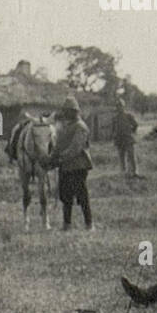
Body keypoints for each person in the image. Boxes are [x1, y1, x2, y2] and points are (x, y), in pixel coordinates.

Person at [45, 96, 94, 231]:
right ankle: (67, 225)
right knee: (65, 196)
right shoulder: (65, 127)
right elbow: (58, 146)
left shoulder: (80, 127)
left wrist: (59, 159)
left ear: (74, 111)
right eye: (64, 111)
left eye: (68, 111)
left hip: (79, 166)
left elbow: (75, 148)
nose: (65, 114)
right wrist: (51, 158)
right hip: (66, 166)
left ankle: (89, 225)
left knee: (82, 196)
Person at [111, 97, 140, 178]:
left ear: (123, 106)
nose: (119, 107)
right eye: (117, 106)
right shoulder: (115, 118)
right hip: (119, 139)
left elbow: (135, 124)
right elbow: (113, 129)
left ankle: (134, 172)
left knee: (131, 155)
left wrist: (132, 131)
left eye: (120, 106)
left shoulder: (129, 116)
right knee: (121, 156)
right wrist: (114, 136)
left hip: (128, 138)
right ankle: (123, 172)